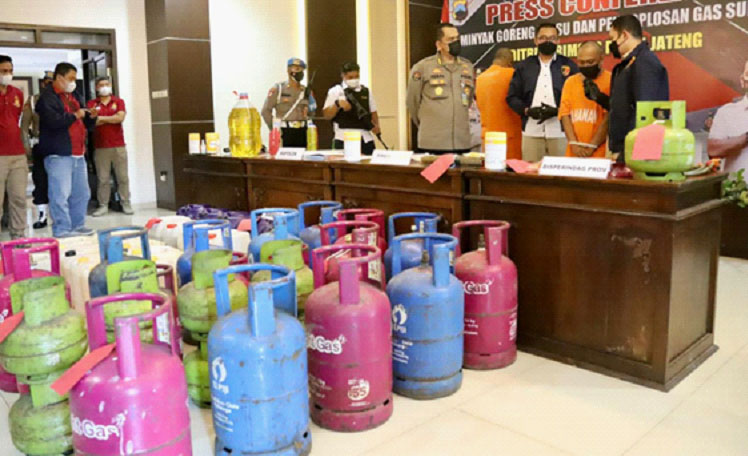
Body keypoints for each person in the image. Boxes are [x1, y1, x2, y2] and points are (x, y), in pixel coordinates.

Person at [36, 62, 97, 238]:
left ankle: (78, 225)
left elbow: (85, 121)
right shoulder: (47, 98)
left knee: (81, 193)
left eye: (74, 79)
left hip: (78, 153)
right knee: (60, 194)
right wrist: (75, 115)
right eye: (70, 78)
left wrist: (91, 117)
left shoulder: (74, 95)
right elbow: (54, 121)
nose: (73, 82)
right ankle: (62, 228)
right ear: (59, 77)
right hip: (58, 154)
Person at [507, 23, 578, 162]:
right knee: (531, 172)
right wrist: (527, 111)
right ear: (535, 40)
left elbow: (578, 98)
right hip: (531, 131)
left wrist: (558, 111)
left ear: (558, 40)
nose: (547, 42)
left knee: (560, 172)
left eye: (552, 38)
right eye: (543, 38)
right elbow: (512, 97)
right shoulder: (524, 66)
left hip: (560, 132)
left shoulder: (569, 65)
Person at [406, 23, 475, 154]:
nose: (456, 42)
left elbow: (468, 99)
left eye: (457, 38)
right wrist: (427, 123)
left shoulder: (467, 67)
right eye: (450, 39)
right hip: (433, 142)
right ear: (439, 44)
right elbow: (412, 102)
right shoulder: (423, 67)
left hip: (461, 141)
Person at [608, 14, 669, 160]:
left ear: (624, 35)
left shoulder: (645, 62)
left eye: (613, 39)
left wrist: (627, 152)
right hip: (624, 147)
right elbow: (623, 105)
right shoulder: (628, 64)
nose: (611, 44)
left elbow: (646, 112)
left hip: (637, 150)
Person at [87, 76, 132, 216]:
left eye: (107, 84)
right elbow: (92, 122)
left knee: (123, 177)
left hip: (118, 145)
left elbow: (120, 118)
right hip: (100, 147)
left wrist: (101, 118)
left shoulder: (118, 101)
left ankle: (125, 203)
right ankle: (103, 205)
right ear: (96, 88)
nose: (104, 87)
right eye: (101, 85)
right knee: (103, 179)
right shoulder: (92, 104)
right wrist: (111, 118)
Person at [558, 41, 611, 158]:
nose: (586, 66)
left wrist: (592, 146)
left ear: (601, 59)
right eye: (582, 62)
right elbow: (565, 115)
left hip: (600, 152)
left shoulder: (611, 80)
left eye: (590, 62)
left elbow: (608, 118)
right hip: (573, 152)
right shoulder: (570, 82)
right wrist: (574, 144)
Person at [322, 62, 381, 155]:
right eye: (350, 77)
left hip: (365, 138)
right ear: (343, 76)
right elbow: (326, 115)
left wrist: (376, 126)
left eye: (356, 76)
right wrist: (337, 104)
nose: (354, 80)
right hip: (343, 138)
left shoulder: (366, 91)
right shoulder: (336, 91)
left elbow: (373, 111)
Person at [475, 48, 522, 159]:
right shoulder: (512, 74)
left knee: (490, 168)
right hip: (509, 138)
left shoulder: (480, 79)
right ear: (508, 61)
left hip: (487, 137)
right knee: (511, 169)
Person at [21, 71, 54, 229]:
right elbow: (24, 126)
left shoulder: (63, 99)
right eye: (47, 82)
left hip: (58, 145)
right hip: (40, 144)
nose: (49, 85)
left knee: (59, 183)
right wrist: (26, 146)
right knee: (40, 181)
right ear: (42, 83)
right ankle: (42, 216)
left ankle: (60, 216)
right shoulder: (33, 101)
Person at [0, 55, 28, 240]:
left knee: (18, 198)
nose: (8, 74)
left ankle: (18, 238)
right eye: (4, 71)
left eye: (10, 71)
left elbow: (16, 119)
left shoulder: (17, 93)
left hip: (17, 154)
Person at [261, 58, 316, 148]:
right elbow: (265, 111)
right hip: (284, 131)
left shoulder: (306, 91)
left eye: (301, 70)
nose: (300, 72)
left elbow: (312, 112)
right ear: (288, 70)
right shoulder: (278, 89)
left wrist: (309, 113)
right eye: (296, 69)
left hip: (302, 131)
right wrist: (274, 129)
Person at [708, 58, 748, 180]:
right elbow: (713, 151)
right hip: (737, 190)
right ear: (742, 81)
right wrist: (745, 139)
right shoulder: (727, 112)